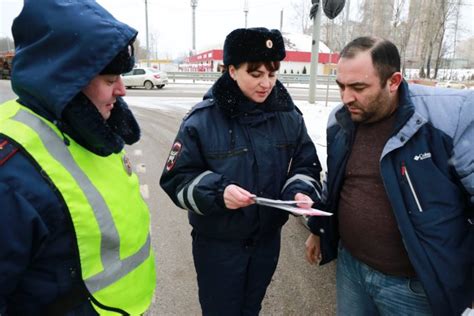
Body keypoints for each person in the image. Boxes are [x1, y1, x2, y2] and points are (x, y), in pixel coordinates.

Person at [0, 0, 156, 315]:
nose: (122, 91)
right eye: (111, 80)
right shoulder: (11, 175)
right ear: (64, 79)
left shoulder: (91, 127)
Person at [305, 36, 473, 316]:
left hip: (414, 287)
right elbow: (334, 184)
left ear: (393, 81)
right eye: (341, 86)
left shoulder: (449, 117)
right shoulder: (340, 120)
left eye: (358, 87)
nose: (346, 97)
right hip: (351, 270)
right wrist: (317, 230)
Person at [160, 27, 322, 315]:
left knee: (251, 309)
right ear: (231, 70)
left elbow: (305, 163)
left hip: (266, 244)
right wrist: (219, 192)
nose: (266, 83)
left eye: (272, 74)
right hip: (218, 248)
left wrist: (299, 191)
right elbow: (176, 180)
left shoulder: (288, 116)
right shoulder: (202, 121)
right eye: (255, 74)